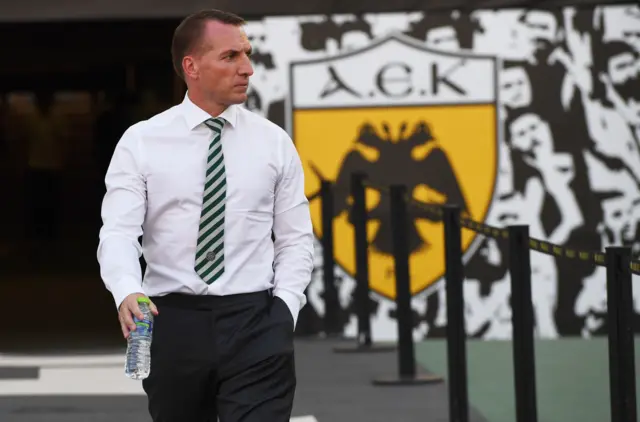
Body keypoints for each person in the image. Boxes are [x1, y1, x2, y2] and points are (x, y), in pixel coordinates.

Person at [97, 9, 314, 422]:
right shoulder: (141, 142)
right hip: (171, 321)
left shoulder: (274, 142)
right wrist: (126, 290)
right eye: (231, 56)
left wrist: (284, 309)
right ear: (191, 67)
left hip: (257, 321)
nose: (247, 69)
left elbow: (295, 238)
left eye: (247, 54)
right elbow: (119, 233)